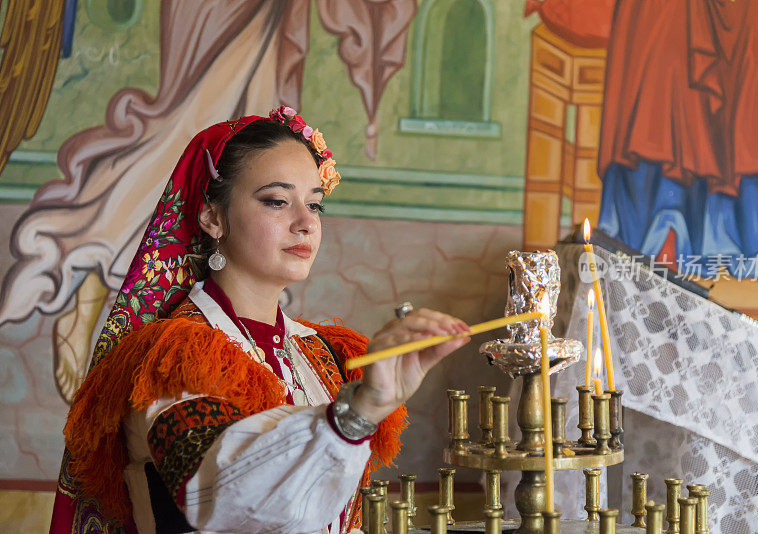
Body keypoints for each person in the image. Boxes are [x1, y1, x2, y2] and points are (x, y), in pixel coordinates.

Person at [52, 109, 471, 534]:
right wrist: (355, 414)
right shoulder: (176, 356)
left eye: (314, 204)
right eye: (276, 201)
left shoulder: (324, 352)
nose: (306, 223)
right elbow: (223, 498)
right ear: (212, 217)